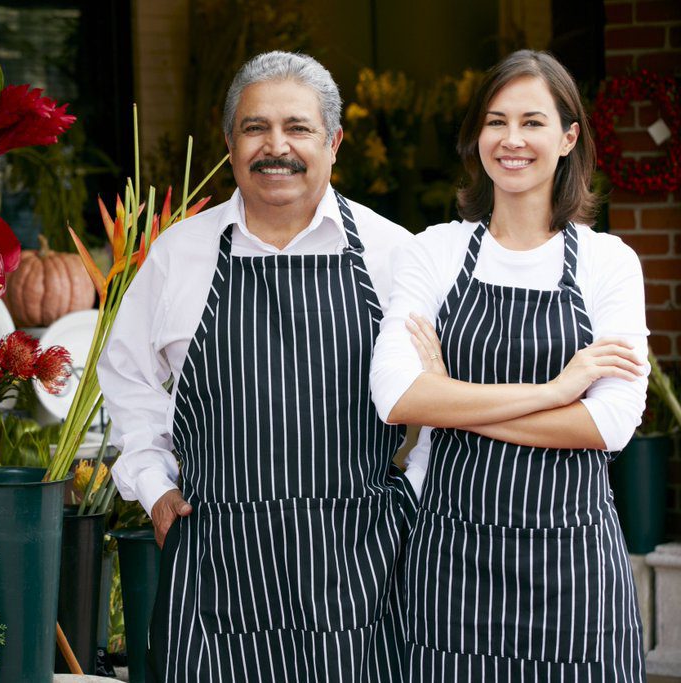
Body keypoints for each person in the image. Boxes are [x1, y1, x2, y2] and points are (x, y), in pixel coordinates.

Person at [98, 51, 422, 682]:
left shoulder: (393, 255)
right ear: (228, 143)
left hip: (359, 569)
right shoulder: (179, 255)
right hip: (217, 566)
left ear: (334, 141)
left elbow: (441, 393)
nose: (277, 147)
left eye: (298, 128)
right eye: (255, 128)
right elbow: (126, 377)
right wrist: (154, 486)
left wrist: (412, 496)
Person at [370, 49, 648, 680]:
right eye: (496, 121)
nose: (512, 139)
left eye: (532, 121)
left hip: (572, 572)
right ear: (477, 136)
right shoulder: (435, 251)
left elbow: (608, 425)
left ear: (568, 137)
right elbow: (395, 396)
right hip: (452, 563)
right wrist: (557, 389)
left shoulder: (609, 263)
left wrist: (449, 398)